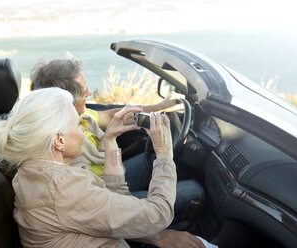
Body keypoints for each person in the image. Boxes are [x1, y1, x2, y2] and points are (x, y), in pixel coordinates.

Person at [0, 87, 208, 248]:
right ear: (59, 140)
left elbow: (114, 201)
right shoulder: (64, 188)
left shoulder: (34, 170)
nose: (83, 130)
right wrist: (164, 155)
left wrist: (110, 140)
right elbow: (158, 214)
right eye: (77, 124)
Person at [30, 58, 205, 229]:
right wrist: (164, 153)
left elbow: (115, 192)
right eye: (85, 92)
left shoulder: (79, 117)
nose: (90, 93)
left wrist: (160, 106)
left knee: (154, 159)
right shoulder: (62, 165)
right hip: (102, 195)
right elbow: (112, 215)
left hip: (108, 184)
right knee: (193, 190)